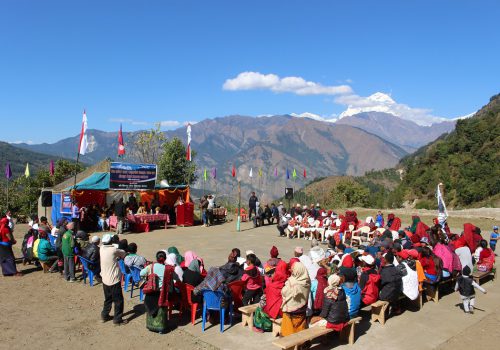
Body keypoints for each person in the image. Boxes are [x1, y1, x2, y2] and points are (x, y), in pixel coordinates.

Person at [141, 251, 174, 333]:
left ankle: (150, 326)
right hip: (162, 294)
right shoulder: (168, 269)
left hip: (151, 293)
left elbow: (141, 273)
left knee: (150, 308)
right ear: (165, 259)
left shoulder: (151, 266)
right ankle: (161, 328)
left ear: (156, 258)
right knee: (161, 311)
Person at [252, 260, 287, 333]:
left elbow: (265, 297)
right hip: (285, 311)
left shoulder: (272, 285)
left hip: (275, 312)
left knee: (259, 308)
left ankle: (260, 326)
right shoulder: (287, 282)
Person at [100, 233, 127, 325]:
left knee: (108, 299)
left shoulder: (101, 248)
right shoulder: (114, 250)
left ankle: (104, 315)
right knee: (118, 300)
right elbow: (123, 253)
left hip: (104, 278)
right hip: (114, 279)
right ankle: (117, 319)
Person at [280, 262, 311, 336]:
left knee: (288, 330)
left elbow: (284, 292)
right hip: (302, 308)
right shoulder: (307, 280)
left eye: (293, 269)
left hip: (291, 310)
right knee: (300, 327)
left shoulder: (292, 282)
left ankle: (290, 343)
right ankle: (301, 343)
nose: (292, 271)